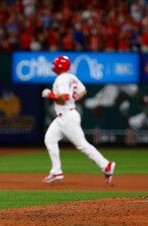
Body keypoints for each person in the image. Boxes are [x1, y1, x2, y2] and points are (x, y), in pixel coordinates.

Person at [41, 56, 116, 185]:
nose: (54, 66)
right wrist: (72, 98)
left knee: (82, 145)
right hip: (64, 116)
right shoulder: (71, 77)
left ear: (60, 66)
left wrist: (50, 95)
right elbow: (83, 91)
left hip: (67, 116)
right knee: (49, 139)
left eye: (56, 64)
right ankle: (56, 171)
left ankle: (106, 165)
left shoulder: (62, 78)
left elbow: (64, 97)